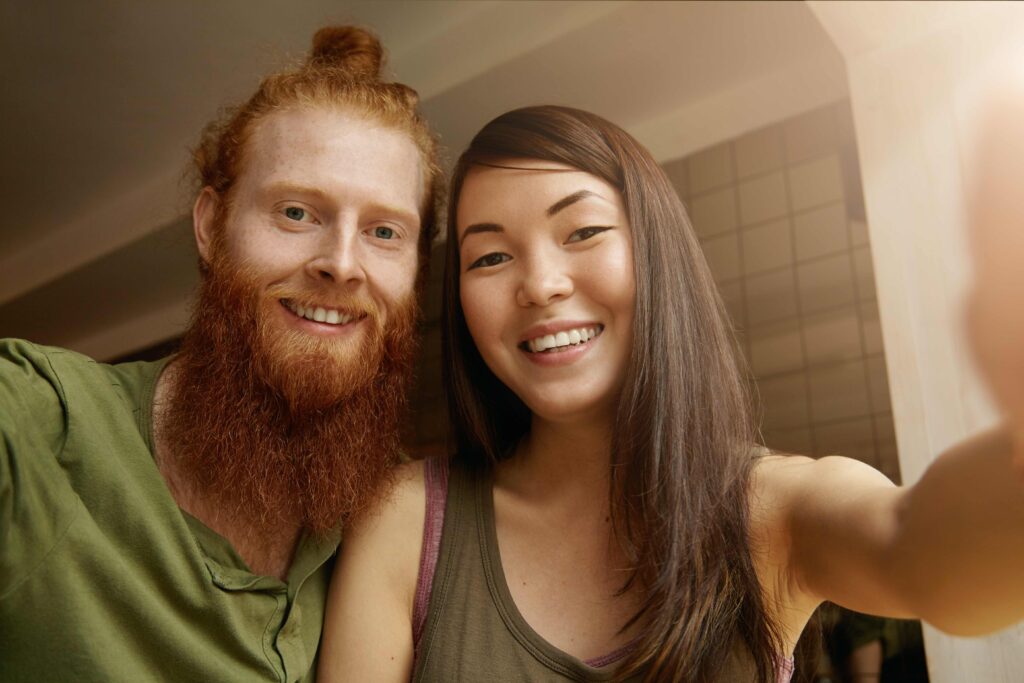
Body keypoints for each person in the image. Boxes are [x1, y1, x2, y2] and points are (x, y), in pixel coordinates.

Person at [318, 104, 1024, 683]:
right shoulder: (406, 520)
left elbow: (919, 548)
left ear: (656, 251)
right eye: (491, 256)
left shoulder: (771, 511)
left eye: (583, 231)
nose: (539, 283)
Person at [0, 26, 440, 681]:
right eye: (296, 212)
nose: (342, 264)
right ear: (211, 226)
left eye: (383, 231)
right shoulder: (31, 420)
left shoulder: (411, 516)